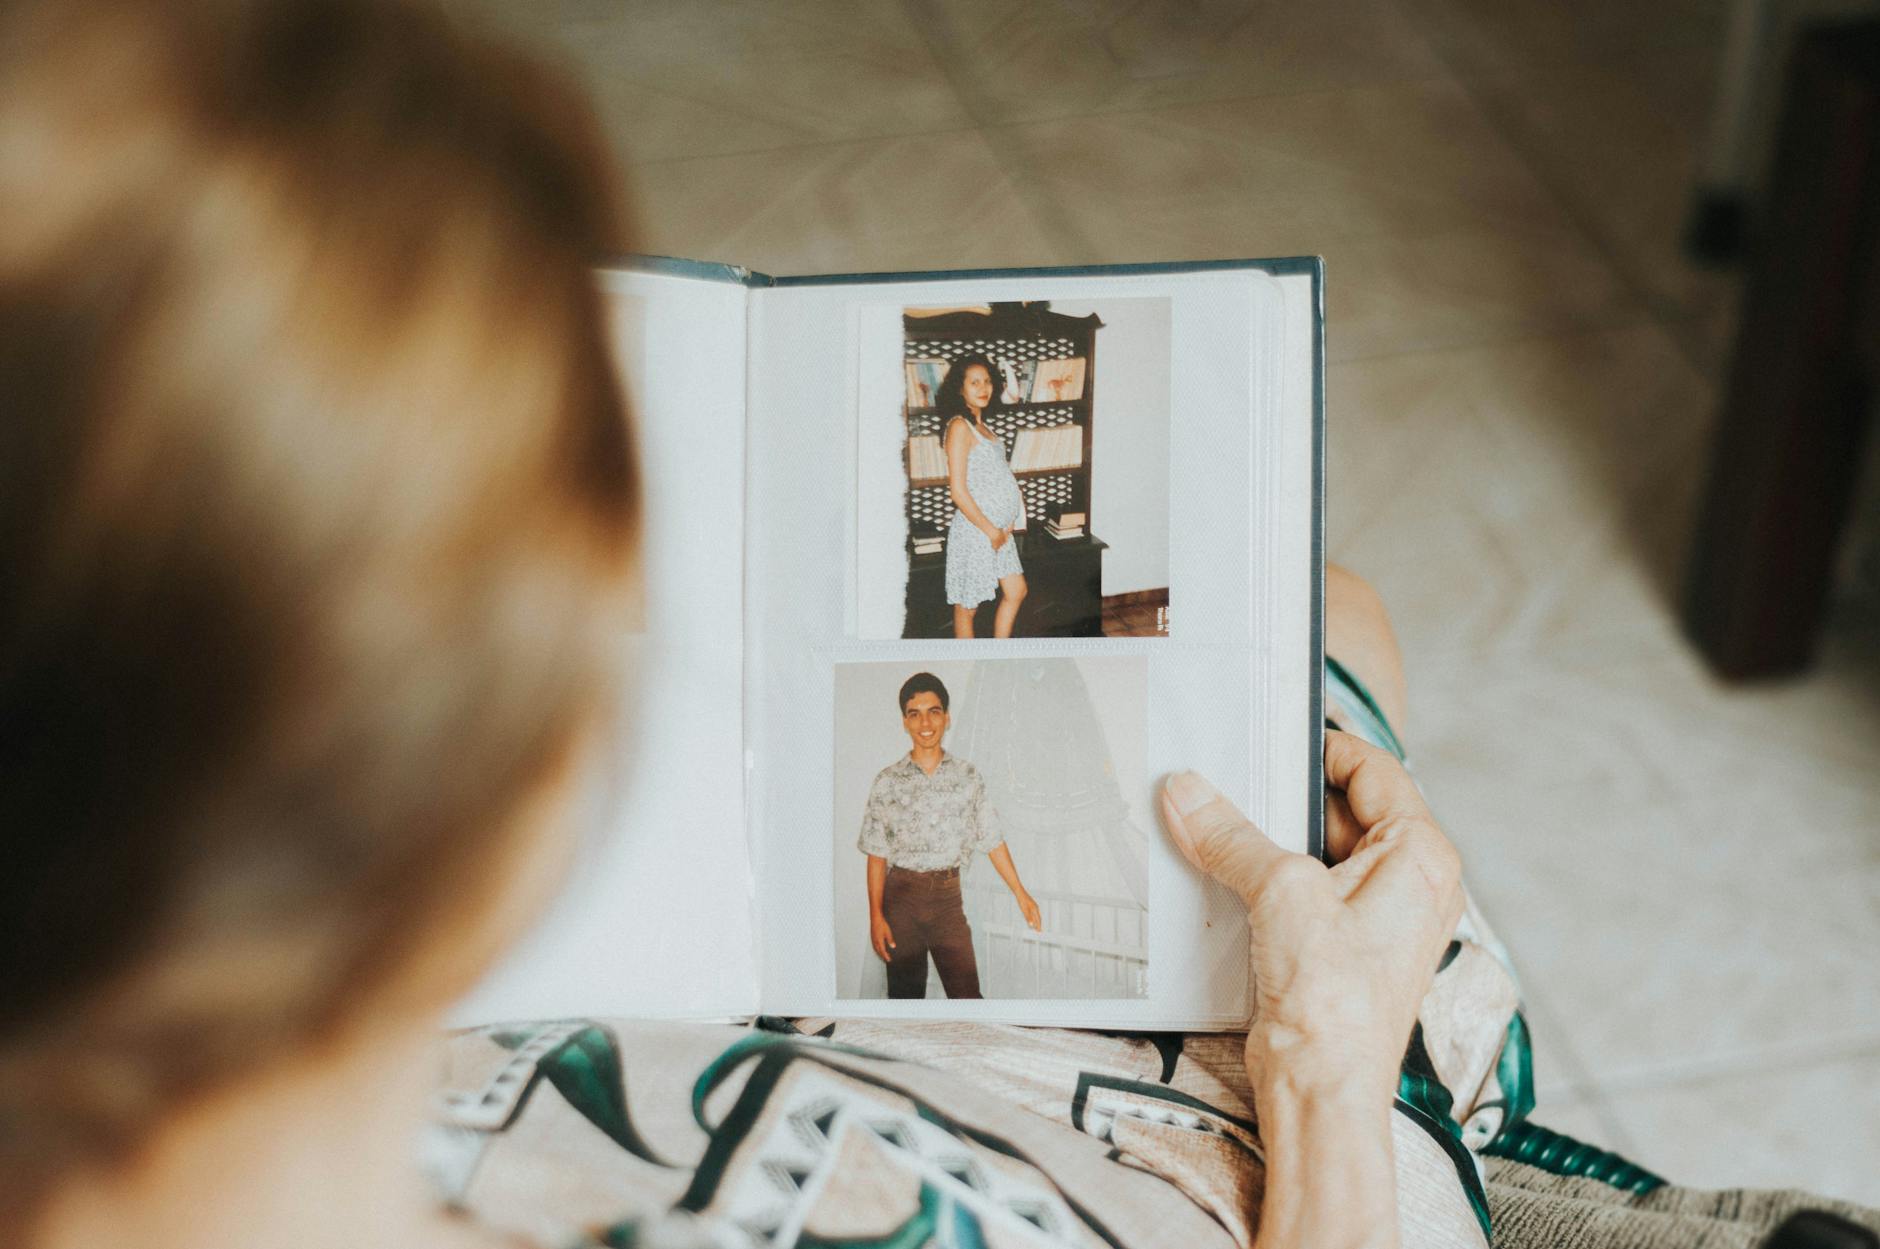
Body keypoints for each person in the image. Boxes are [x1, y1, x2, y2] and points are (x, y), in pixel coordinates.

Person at [5, 1, 1878, 1247]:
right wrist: (1319, 1077)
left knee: (1324, 617)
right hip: (1090, 1118)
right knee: (1339, 667)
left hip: (819, 1020)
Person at [858, 672, 1043, 999]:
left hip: (947, 900)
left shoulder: (968, 777)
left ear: (947, 718)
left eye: (934, 711)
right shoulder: (886, 781)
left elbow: (993, 839)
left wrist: (1021, 893)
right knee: (904, 1000)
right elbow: (876, 854)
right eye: (914, 714)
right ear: (904, 722)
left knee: (968, 997)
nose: (925, 722)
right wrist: (876, 916)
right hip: (901, 900)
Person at [939, 353, 1029, 638]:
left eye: (988, 381)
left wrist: (1010, 519)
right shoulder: (958, 426)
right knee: (968, 607)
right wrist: (991, 531)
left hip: (1000, 532)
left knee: (1016, 591)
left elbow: (1000, 476)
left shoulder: (984, 428)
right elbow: (958, 491)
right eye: (974, 382)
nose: (983, 388)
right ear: (960, 388)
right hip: (978, 531)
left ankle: (999, 654)